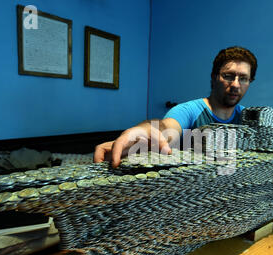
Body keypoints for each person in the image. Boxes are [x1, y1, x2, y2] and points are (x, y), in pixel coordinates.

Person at [93, 46, 258, 167]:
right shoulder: (189, 111)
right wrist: (145, 130)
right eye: (228, 76)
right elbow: (166, 127)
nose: (236, 85)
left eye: (243, 78)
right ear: (214, 77)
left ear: (250, 82)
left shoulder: (248, 118)